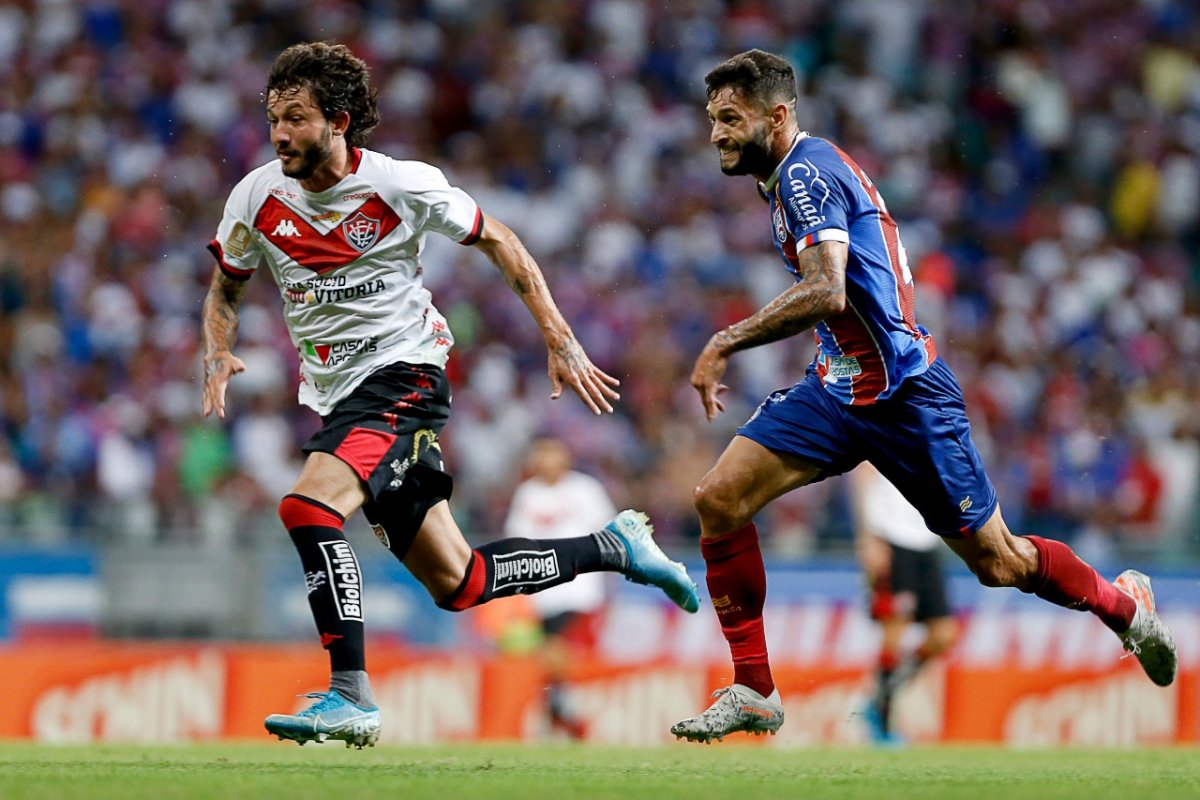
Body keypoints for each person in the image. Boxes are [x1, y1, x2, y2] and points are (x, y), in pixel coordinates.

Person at [200, 42, 699, 749]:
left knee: (308, 505)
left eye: (296, 118)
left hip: (403, 378)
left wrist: (559, 337)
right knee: (459, 582)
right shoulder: (256, 196)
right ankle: (613, 547)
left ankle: (350, 695)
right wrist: (218, 350)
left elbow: (499, 239)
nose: (278, 133)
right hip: (341, 399)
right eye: (273, 118)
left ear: (338, 122)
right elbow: (227, 283)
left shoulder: (401, 185)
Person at [670, 49, 1176, 744]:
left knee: (1000, 564)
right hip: (839, 389)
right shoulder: (787, 176)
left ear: (778, 115)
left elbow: (828, 290)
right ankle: (755, 688)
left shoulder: (804, 176)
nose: (716, 135)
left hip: (908, 397)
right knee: (717, 498)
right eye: (712, 120)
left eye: (730, 119)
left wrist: (725, 339)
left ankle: (1126, 606)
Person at [503, 437, 618, 739]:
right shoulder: (528, 494)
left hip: (580, 588)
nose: (547, 460)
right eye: (541, 454)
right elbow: (517, 540)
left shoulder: (585, 490)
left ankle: (561, 706)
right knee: (552, 652)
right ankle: (560, 707)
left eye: (553, 453)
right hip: (543, 592)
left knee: (560, 647)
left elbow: (609, 533)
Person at [850, 462, 958, 745]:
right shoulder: (881, 419)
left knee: (943, 634)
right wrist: (868, 537)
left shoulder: (935, 423)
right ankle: (882, 722)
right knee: (895, 630)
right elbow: (863, 474)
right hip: (892, 537)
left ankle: (879, 696)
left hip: (927, 538)